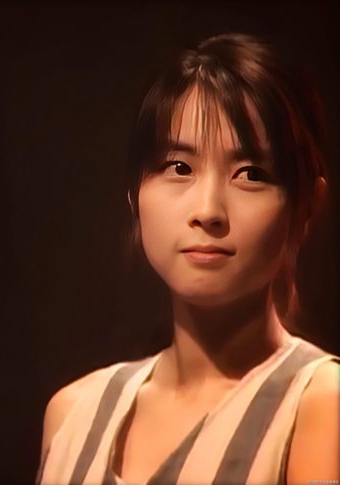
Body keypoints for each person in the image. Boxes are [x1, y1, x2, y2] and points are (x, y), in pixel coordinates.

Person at [36, 33, 339, 485]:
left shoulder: (319, 408)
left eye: (251, 174)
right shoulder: (73, 414)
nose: (208, 210)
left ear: (306, 207)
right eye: (179, 167)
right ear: (135, 194)